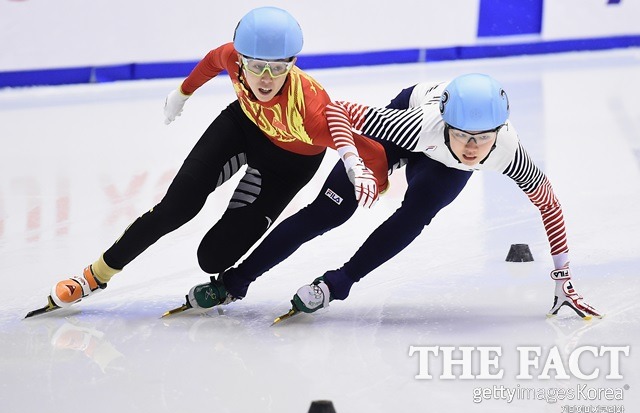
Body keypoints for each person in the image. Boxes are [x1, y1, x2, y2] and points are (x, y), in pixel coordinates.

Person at [45, 6, 388, 313]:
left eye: (277, 68)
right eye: (256, 66)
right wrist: (183, 92)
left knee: (212, 258)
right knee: (176, 208)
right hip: (242, 128)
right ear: (240, 60)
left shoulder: (311, 112)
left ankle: (239, 220)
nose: (265, 79)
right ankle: (94, 276)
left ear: (292, 64)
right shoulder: (230, 58)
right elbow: (211, 60)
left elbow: (365, 145)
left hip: (288, 165)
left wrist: (371, 175)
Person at [217, 73, 601, 320]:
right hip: (408, 127)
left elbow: (549, 205)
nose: (472, 147)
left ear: (498, 132)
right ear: (448, 124)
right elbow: (338, 111)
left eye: (483, 138)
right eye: (464, 135)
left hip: (440, 164)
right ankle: (236, 280)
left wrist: (562, 276)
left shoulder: (508, 152)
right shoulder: (414, 126)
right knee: (327, 212)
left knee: (415, 215)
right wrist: (353, 160)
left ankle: (338, 283)